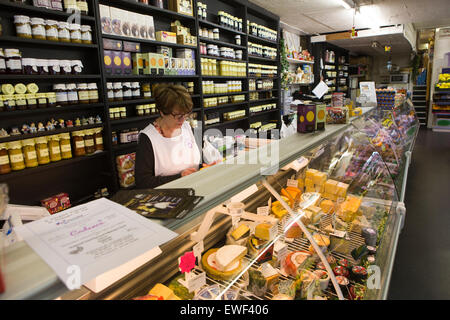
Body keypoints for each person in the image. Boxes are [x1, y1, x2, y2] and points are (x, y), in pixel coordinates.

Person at [135, 84, 201, 188]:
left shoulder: (187, 127)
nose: (183, 120)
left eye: (186, 114)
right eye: (178, 116)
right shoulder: (148, 138)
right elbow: (143, 182)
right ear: (162, 112)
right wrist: (179, 177)